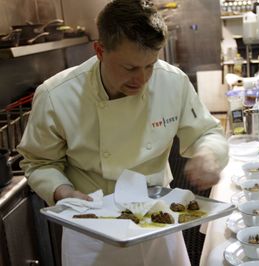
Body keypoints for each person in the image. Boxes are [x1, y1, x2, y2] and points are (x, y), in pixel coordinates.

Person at [17, 0, 228, 265]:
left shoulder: (173, 82)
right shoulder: (56, 95)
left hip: (159, 221)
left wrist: (208, 155)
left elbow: (206, 133)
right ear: (100, 51)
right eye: (129, 68)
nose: (142, 79)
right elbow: (38, 162)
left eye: (150, 65)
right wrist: (63, 192)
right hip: (91, 226)